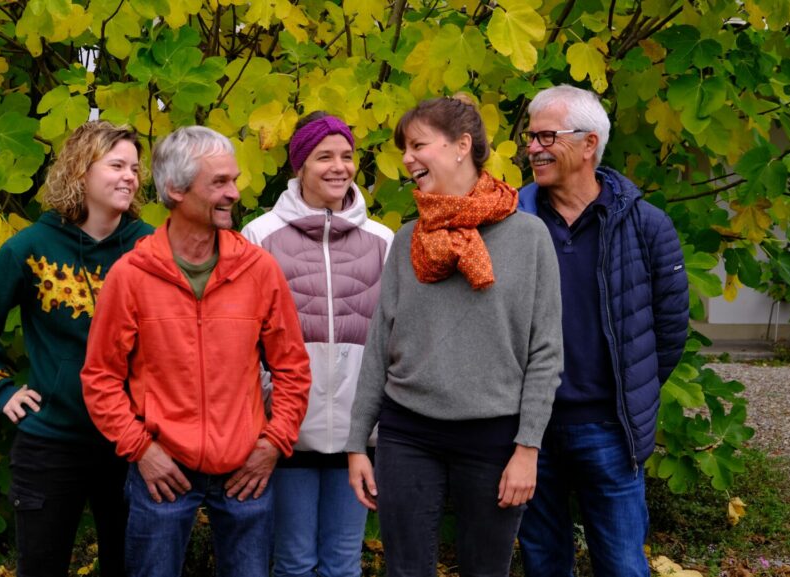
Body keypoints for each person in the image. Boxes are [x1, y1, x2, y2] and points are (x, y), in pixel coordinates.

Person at [345, 95, 564, 577]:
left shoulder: (529, 238)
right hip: (408, 434)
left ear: (462, 145)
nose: (406, 158)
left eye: (418, 144)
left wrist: (528, 449)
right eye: (405, 148)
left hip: (494, 439)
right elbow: (379, 345)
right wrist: (357, 443)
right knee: (405, 571)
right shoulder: (406, 240)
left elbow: (546, 353)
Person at [80, 126, 312, 577]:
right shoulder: (131, 275)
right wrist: (140, 450)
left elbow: (292, 368)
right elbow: (100, 377)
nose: (234, 192)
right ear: (175, 189)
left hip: (247, 468)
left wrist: (273, 443)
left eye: (233, 179)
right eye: (219, 183)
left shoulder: (259, 270)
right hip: (162, 472)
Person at [0, 121, 154, 577]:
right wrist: (0, 391)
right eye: (117, 165)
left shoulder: (150, 248)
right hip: (52, 441)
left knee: (130, 568)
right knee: (42, 566)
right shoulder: (33, 246)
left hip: (133, 441)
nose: (130, 176)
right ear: (82, 171)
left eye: (136, 168)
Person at [515, 84, 690, 576]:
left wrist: (629, 393)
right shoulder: (511, 221)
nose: (533, 147)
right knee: (543, 563)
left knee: (621, 565)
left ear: (589, 143)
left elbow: (670, 327)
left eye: (547, 136)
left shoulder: (645, 225)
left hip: (609, 429)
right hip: (529, 430)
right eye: (530, 137)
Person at [241, 112, 394, 577]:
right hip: (286, 434)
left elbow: (393, 341)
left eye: (347, 156)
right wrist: (269, 411)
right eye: (324, 156)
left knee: (344, 565)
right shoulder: (259, 236)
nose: (338, 167)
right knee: (293, 563)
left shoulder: (382, 240)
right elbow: (248, 342)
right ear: (299, 166)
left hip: (358, 437)